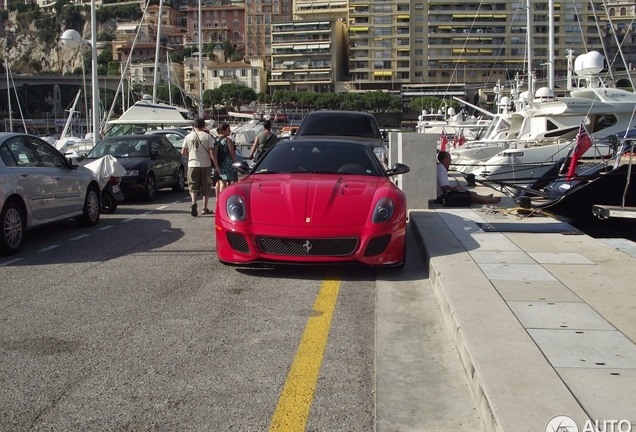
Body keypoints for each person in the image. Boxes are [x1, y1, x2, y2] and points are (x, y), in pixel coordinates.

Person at [181, 118, 219, 216]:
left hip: (192, 164)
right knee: (206, 186)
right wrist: (216, 166)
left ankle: (194, 202)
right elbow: (212, 152)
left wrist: (191, 155)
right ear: (204, 126)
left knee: (193, 185)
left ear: (194, 126)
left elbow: (183, 152)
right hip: (205, 164)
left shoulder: (188, 137)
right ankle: (204, 208)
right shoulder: (208, 137)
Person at [436, 151, 501, 205]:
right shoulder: (441, 169)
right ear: (445, 159)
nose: (451, 160)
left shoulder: (441, 167)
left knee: (463, 190)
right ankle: (486, 200)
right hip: (442, 197)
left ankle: (483, 198)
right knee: (466, 193)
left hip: (443, 194)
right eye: (449, 158)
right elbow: (444, 187)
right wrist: (456, 190)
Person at [214, 122, 239, 198]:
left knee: (217, 182)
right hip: (226, 163)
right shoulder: (227, 140)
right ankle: (222, 198)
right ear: (223, 131)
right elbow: (232, 153)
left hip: (217, 162)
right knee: (223, 182)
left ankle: (217, 199)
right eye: (228, 130)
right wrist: (236, 162)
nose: (230, 131)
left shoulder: (214, 139)